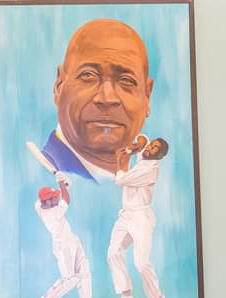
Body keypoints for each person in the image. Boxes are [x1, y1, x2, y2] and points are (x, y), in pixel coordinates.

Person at [38, 19, 154, 182]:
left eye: (126, 80)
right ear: (59, 86)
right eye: (88, 75)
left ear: (147, 96)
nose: (107, 98)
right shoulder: (43, 177)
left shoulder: (147, 168)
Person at [107, 136, 169, 298]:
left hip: (141, 217)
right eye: (151, 145)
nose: (150, 148)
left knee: (141, 263)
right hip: (126, 214)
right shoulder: (146, 155)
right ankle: (126, 295)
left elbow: (120, 180)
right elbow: (142, 138)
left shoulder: (150, 170)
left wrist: (121, 158)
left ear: (161, 155)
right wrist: (140, 143)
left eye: (155, 148)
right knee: (113, 252)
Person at [34, 173, 96, 298]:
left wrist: (63, 185)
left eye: (55, 196)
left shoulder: (38, 205)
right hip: (63, 246)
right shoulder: (53, 213)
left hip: (72, 240)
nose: (56, 198)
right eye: (53, 198)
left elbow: (61, 196)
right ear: (47, 202)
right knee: (70, 280)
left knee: (84, 273)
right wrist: (62, 184)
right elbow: (67, 198)